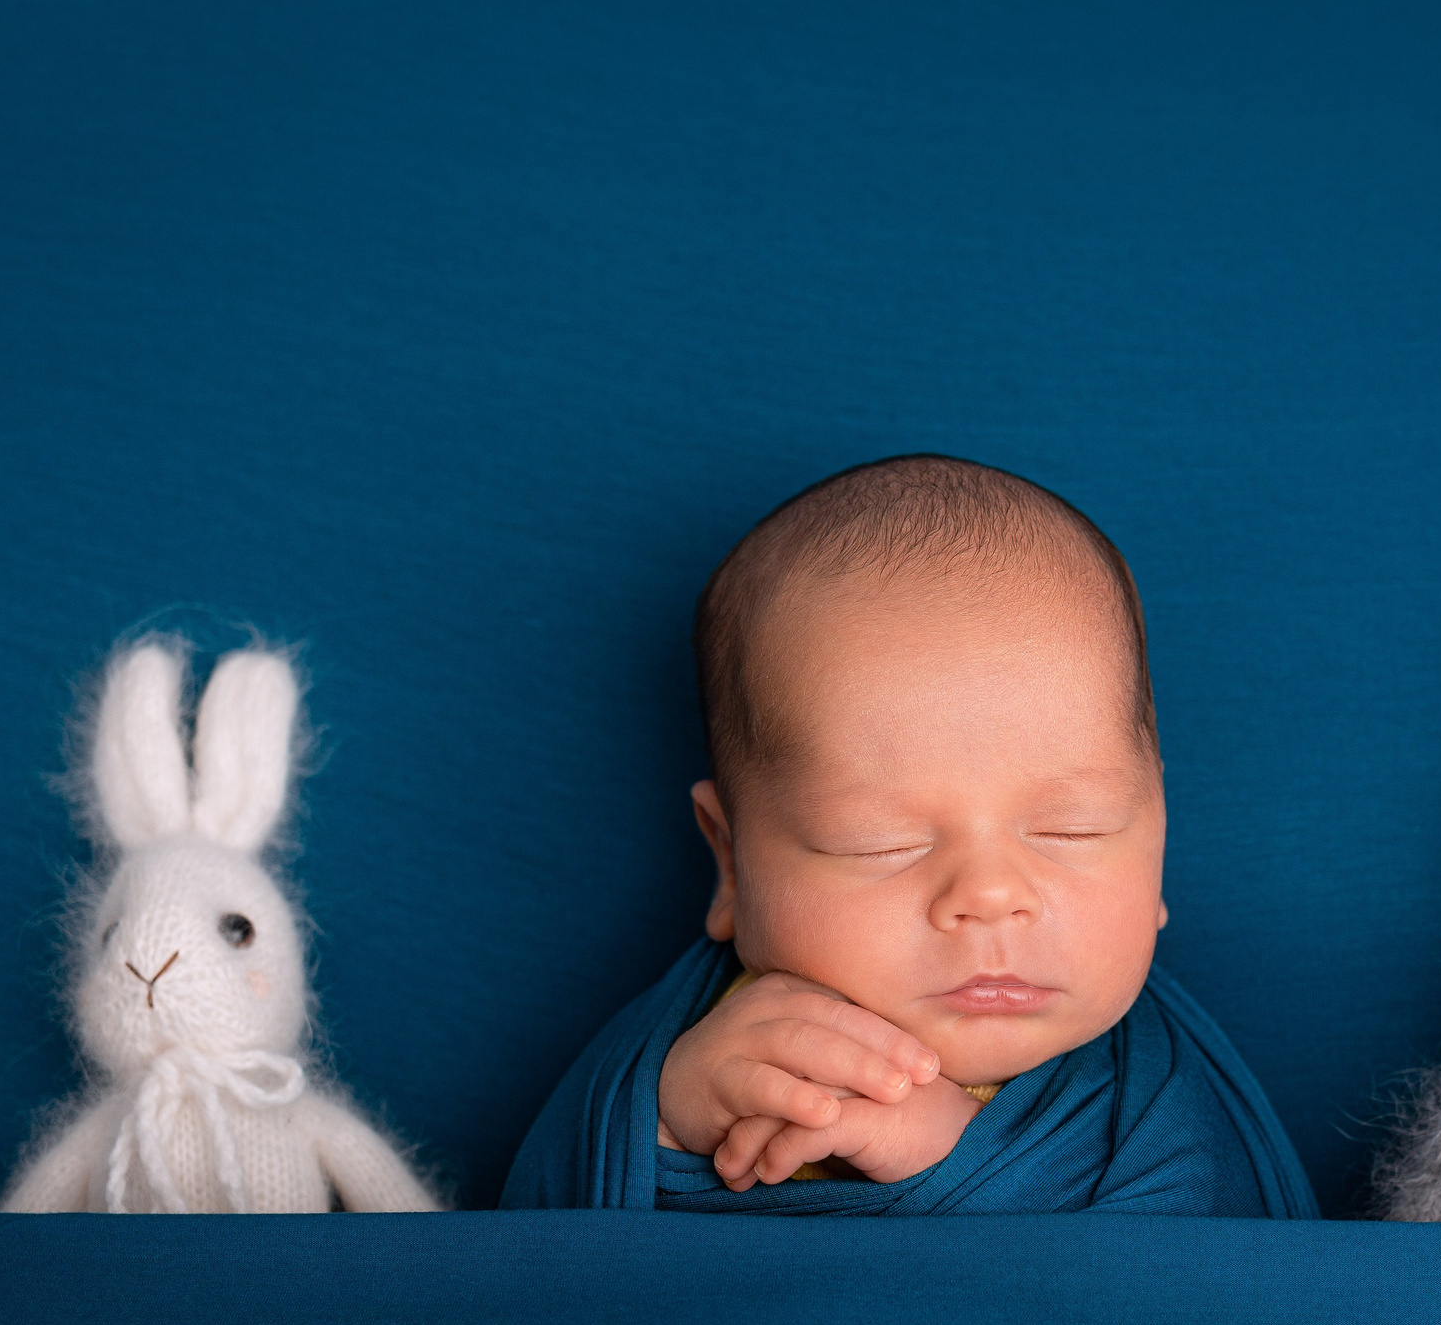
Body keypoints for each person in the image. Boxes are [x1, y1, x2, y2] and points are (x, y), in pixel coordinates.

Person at [500, 455, 1315, 1217]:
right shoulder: (693, 1060)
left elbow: (1236, 1313)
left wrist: (954, 1163)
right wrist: (664, 1130)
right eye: (879, 842)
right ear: (730, 863)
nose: (989, 896)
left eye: (1075, 828)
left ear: (1157, 841)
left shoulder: (1154, 1101)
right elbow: (532, 1277)